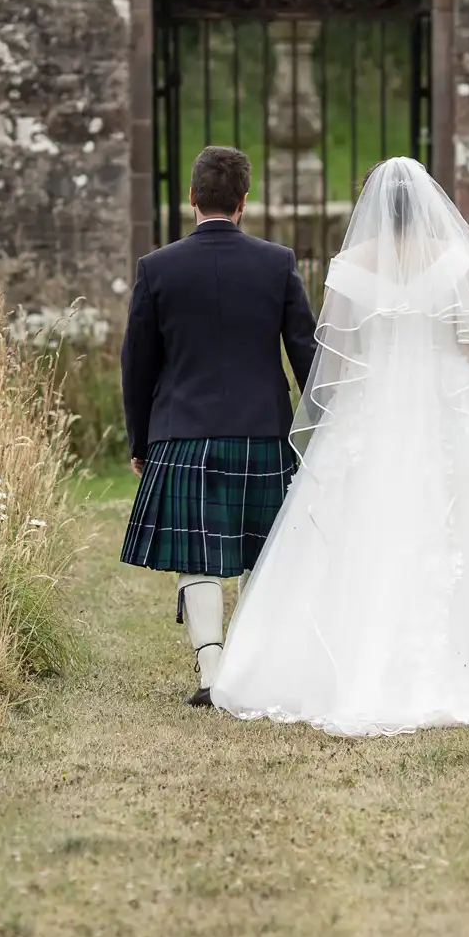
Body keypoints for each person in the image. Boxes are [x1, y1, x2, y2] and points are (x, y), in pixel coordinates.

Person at [210, 157, 469, 736]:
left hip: (371, 408)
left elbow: (335, 364)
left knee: (365, 524)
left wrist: (338, 426)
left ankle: (343, 666)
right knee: (465, 525)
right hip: (450, 407)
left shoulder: (349, 267)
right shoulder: (455, 262)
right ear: (425, 203)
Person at [119, 145, 319, 707]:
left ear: (192, 198)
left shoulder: (157, 268)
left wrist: (142, 441)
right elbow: (305, 351)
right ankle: (252, 671)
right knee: (264, 552)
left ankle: (212, 678)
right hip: (263, 433)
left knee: (196, 556)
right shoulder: (276, 263)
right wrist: (321, 429)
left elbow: (137, 365)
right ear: (243, 202)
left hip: (183, 433)